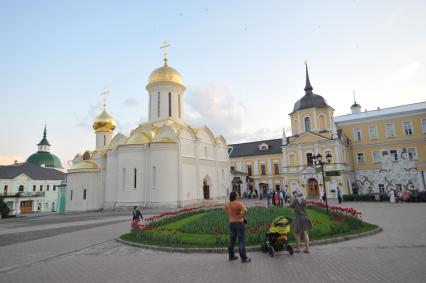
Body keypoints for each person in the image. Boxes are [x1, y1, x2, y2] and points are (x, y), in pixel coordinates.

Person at [224, 191, 251, 263]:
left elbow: (225, 210)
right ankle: (244, 258)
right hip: (239, 223)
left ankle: (231, 256)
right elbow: (245, 210)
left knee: (231, 240)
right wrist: (241, 215)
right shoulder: (238, 203)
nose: (238, 195)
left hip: (231, 223)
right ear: (235, 196)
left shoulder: (228, 204)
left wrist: (230, 215)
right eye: (237, 194)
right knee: (241, 241)